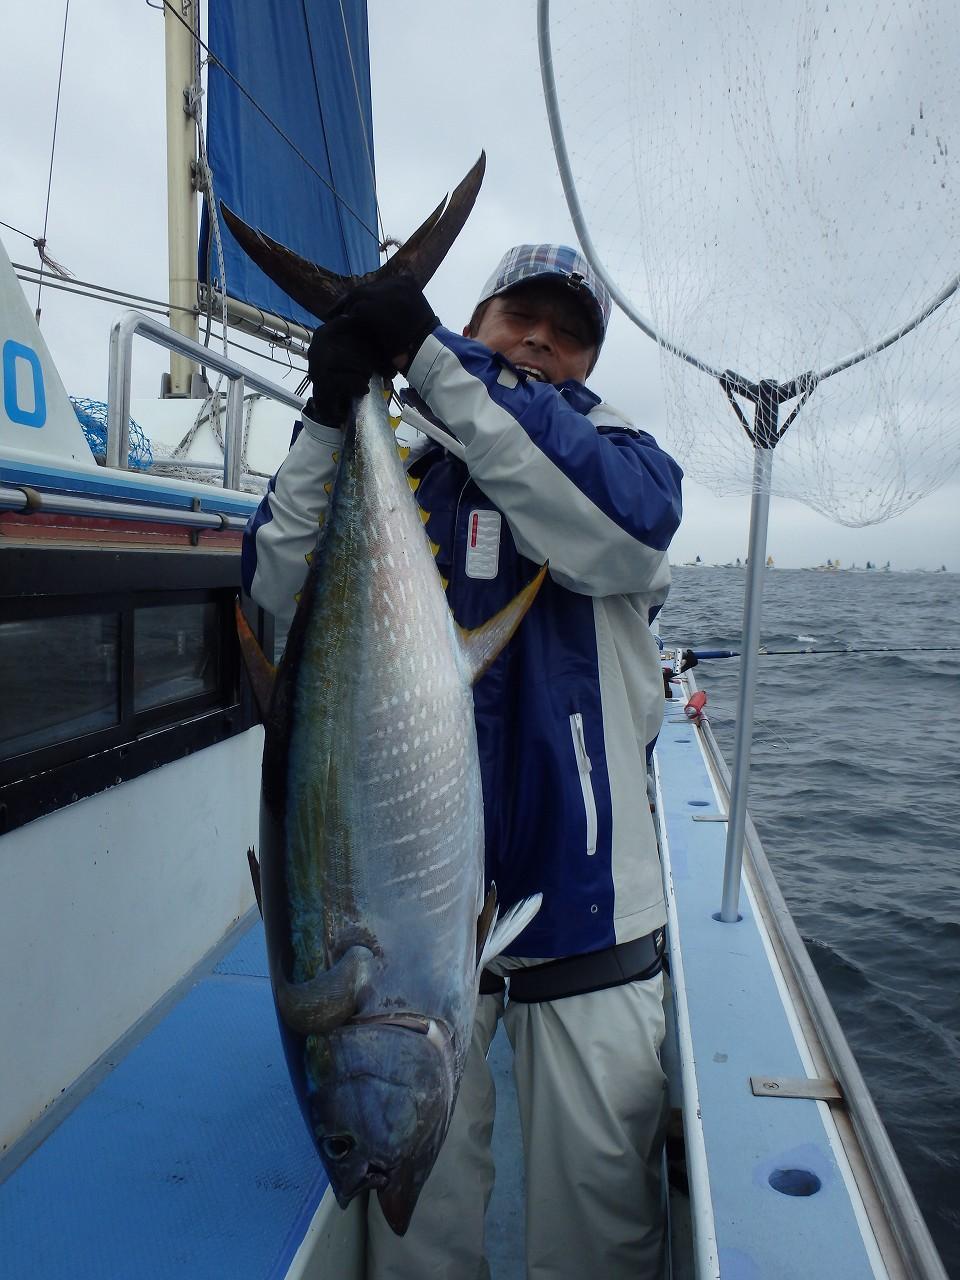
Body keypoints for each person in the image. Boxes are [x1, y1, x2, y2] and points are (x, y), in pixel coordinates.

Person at [242, 243, 684, 1280]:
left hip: (588, 911)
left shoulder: (621, 461)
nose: (539, 339)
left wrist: (433, 360)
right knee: (416, 1236)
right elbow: (272, 580)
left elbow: (622, 533)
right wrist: (333, 407)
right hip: (419, 920)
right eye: (515, 316)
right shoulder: (409, 472)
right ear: (475, 318)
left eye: (568, 330)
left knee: (599, 1233)